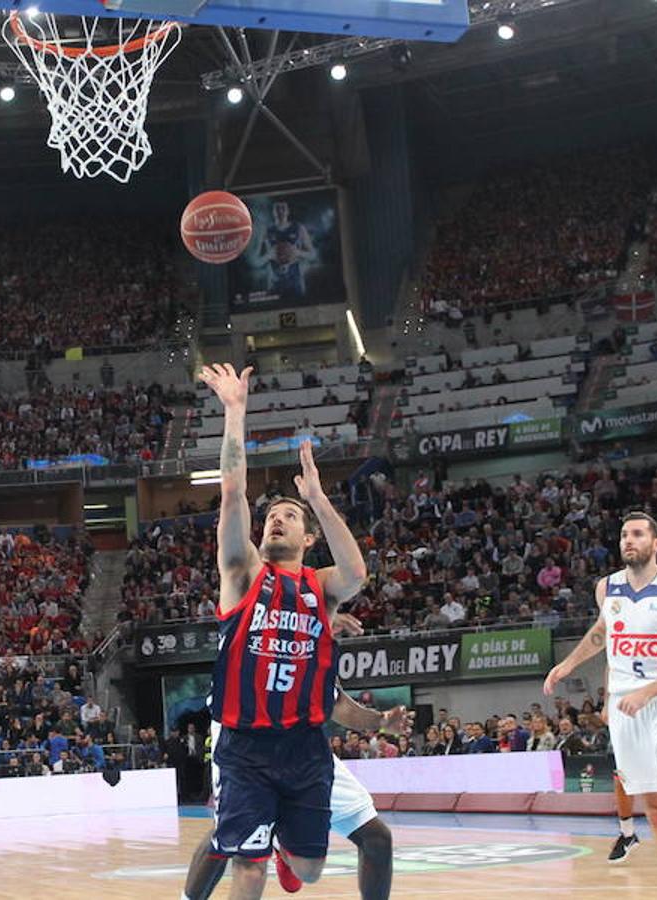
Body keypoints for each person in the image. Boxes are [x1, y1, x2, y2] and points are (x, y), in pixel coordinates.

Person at [196, 363, 368, 899]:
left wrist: (316, 496)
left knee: (311, 870)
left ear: (308, 535)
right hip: (244, 742)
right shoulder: (243, 571)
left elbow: (358, 574)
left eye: (289, 516)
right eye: (273, 514)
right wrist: (234, 412)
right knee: (247, 868)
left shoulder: (322, 587)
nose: (276, 518)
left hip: (304, 745)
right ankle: (257, 844)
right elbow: (231, 494)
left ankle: (283, 848)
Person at [544, 511, 657, 900]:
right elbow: (605, 632)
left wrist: (650, 691)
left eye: (638, 534)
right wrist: (568, 664)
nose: (629, 540)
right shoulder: (607, 588)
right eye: (624, 534)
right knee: (655, 811)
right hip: (626, 710)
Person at [182, 612, 413, 900]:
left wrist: (380, 720)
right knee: (228, 841)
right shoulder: (247, 603)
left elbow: (338, 703)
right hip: (245, 743)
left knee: (377, 837)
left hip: (302, 747)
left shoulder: (312, 641)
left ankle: (284, 841)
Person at [257, 201, 316, 298]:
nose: (280, 211)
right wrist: (270, 255)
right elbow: (256, 261)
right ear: (273, 211)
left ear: (288, 211)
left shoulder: (298, 228)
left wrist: (297, 252)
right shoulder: (266, 230)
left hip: (295, 282)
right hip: (274, 282)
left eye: (283, 208)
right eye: (277, 208)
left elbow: (313, 254)